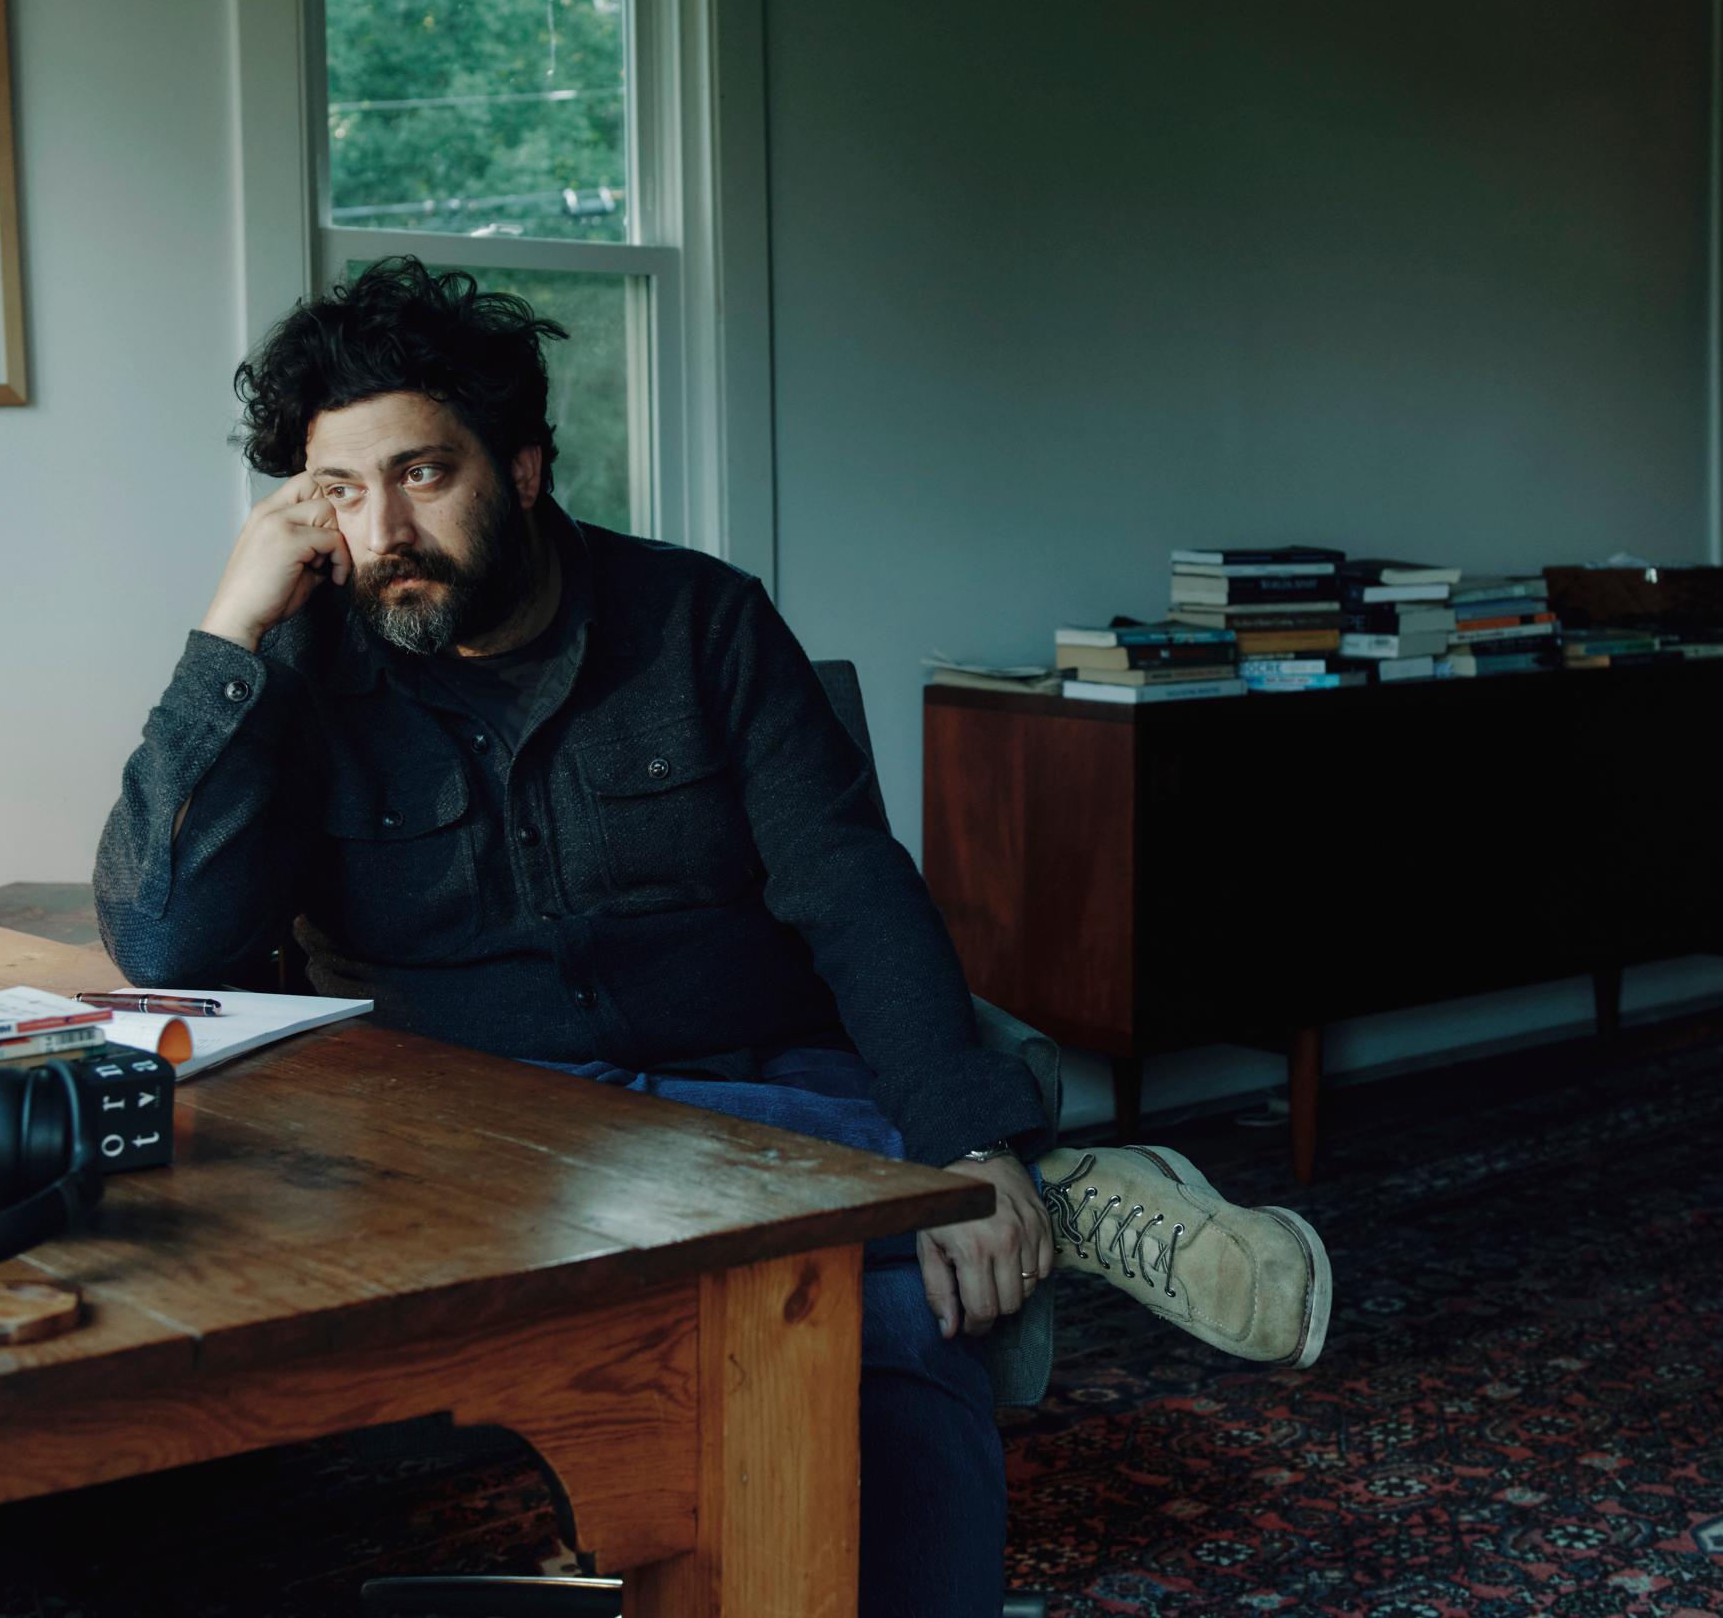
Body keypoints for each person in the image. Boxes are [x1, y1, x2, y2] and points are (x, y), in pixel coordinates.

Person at [95, 259, 1330, 1617]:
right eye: (339, 490)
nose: (381, 525)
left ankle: (950, 1195)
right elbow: (166, 941)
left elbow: (852, 889)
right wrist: (231, 627)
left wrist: (962, 1141)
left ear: (524, 466)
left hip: (752, 1094)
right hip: (476, 1153)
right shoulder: (295, 661)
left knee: (909, 1330)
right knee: (757, 1250)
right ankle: (1046, 1196)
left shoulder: (703, 624)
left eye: (423, 473)